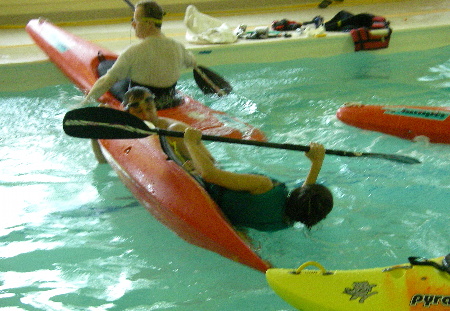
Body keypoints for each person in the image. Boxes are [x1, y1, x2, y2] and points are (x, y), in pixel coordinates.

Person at [182, 128, 333, 231]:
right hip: (224, 209)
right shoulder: (287, 221)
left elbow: (210, 175)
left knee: (178, 127)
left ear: (298, 193)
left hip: (204, 187)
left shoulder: (264, 186)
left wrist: (190, 141)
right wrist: (316, 164)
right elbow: (305, 198)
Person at [81, 1, 196, 110]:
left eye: (136, 20)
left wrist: (84, 102)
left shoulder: (134, 51)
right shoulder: (178, 47)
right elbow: (193, 62)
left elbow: (106, 81)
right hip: (170, 101)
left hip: (140, 105)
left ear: (149, 24)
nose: (133, 24)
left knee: (104, 68)